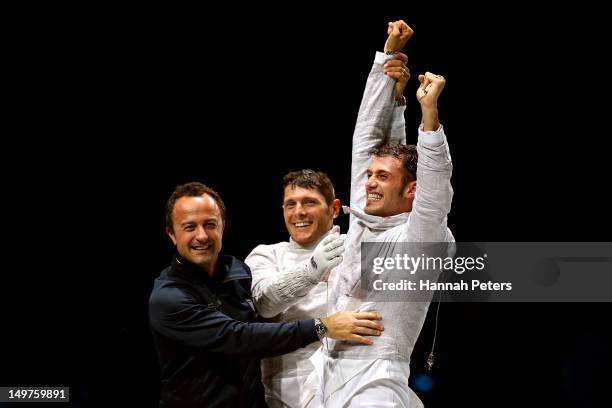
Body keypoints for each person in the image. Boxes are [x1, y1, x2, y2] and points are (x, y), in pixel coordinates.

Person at [244, 29, 411, 408]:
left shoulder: (357, 245)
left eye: (308, 203)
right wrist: (315, 267)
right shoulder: (266, 255)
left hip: (351, 385)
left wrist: (396, 99)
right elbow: (264, 303)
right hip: (291, 398)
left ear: (334, 209)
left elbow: (389, 175)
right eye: (290, 205)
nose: (298, 212)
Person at [316, 19, 455, 407]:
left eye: (382, 178)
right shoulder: (364, 223)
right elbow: (368, 143)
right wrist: (387, 67)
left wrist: (429, 115)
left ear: (411, 190)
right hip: (327, 383)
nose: (370, 183)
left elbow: (434, 188)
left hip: (376, 389)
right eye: (370, 176)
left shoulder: (419, 239)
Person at [148, 182, 385, 408]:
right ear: (171, 234)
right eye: (190, 227)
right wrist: (314, 279)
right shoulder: (171, 296)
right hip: (268, 397)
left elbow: (414, 272)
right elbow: (251, 322)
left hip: (348, 386)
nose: (202, 235)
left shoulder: (235, 271)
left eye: (210, 224)